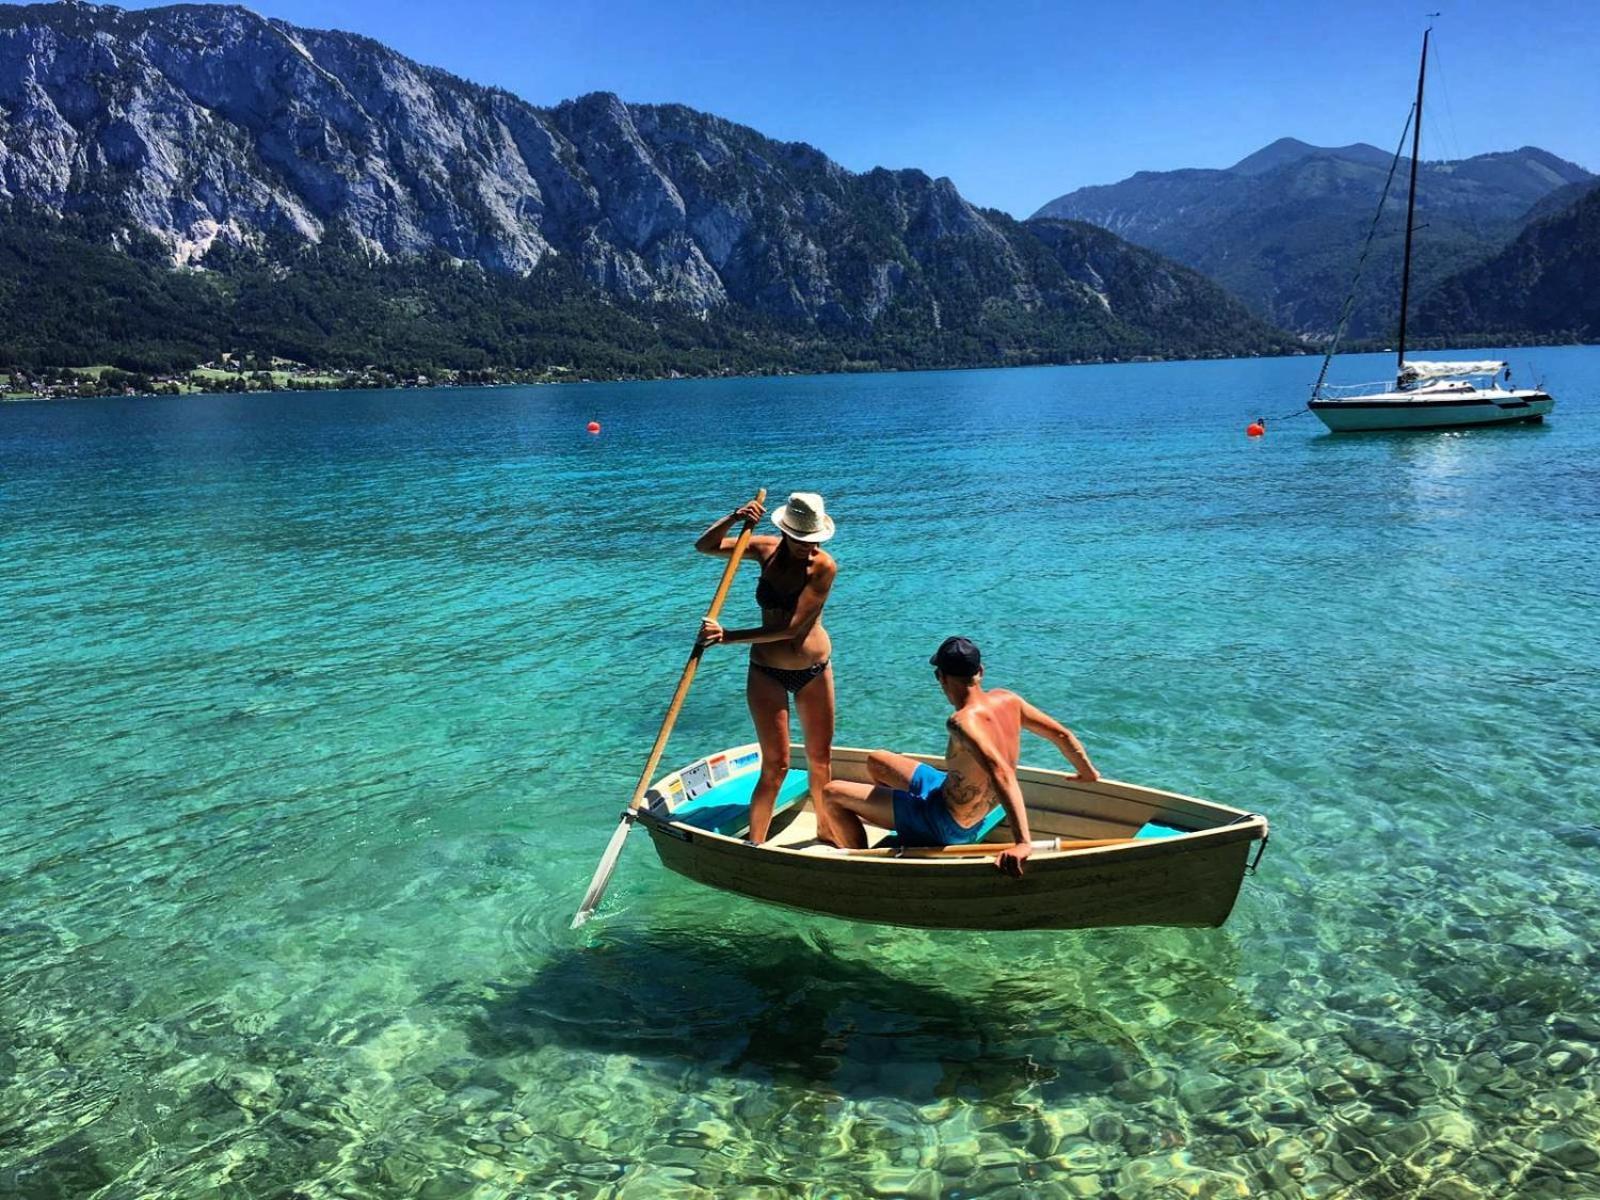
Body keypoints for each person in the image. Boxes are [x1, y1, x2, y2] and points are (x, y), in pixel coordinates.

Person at [822, 637, 1098, 876]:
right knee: (878, 760)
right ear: (980, 672)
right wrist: (1087, 772)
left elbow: (1000, 772)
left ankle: (863, 866)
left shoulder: (962, 722)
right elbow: (1062, 735)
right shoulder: (1008, 699)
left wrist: (1022, 842)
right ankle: (904, 831)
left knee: (832, 794)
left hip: (946, 823)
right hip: (944, 793)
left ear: (940, 677)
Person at [695, 493, 840, 844]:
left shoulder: (824, 567)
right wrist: (734, 516)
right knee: (776, 765)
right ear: (786, 533)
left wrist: (727, 637)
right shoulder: (763, 549)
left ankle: (824, 829)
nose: (811, 546)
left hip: (813, 669)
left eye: (815, 539)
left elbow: (792, 627)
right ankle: (755, 844)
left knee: (820, 760)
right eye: (803, 539)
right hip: (766, 671)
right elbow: (705, 546)